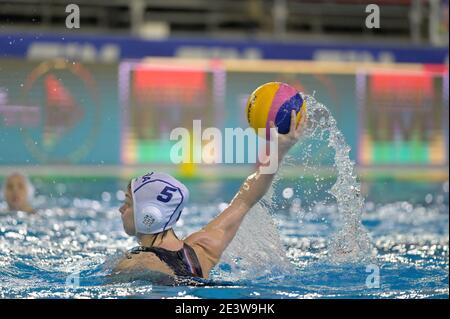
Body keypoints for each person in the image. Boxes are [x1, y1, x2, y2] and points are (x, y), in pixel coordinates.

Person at [114, 110, 306, 279]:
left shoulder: (135, 263)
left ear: (150, 214)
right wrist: (279, 150)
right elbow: (244, 200)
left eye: (128, 203)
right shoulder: (201, 250)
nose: (121, 209)